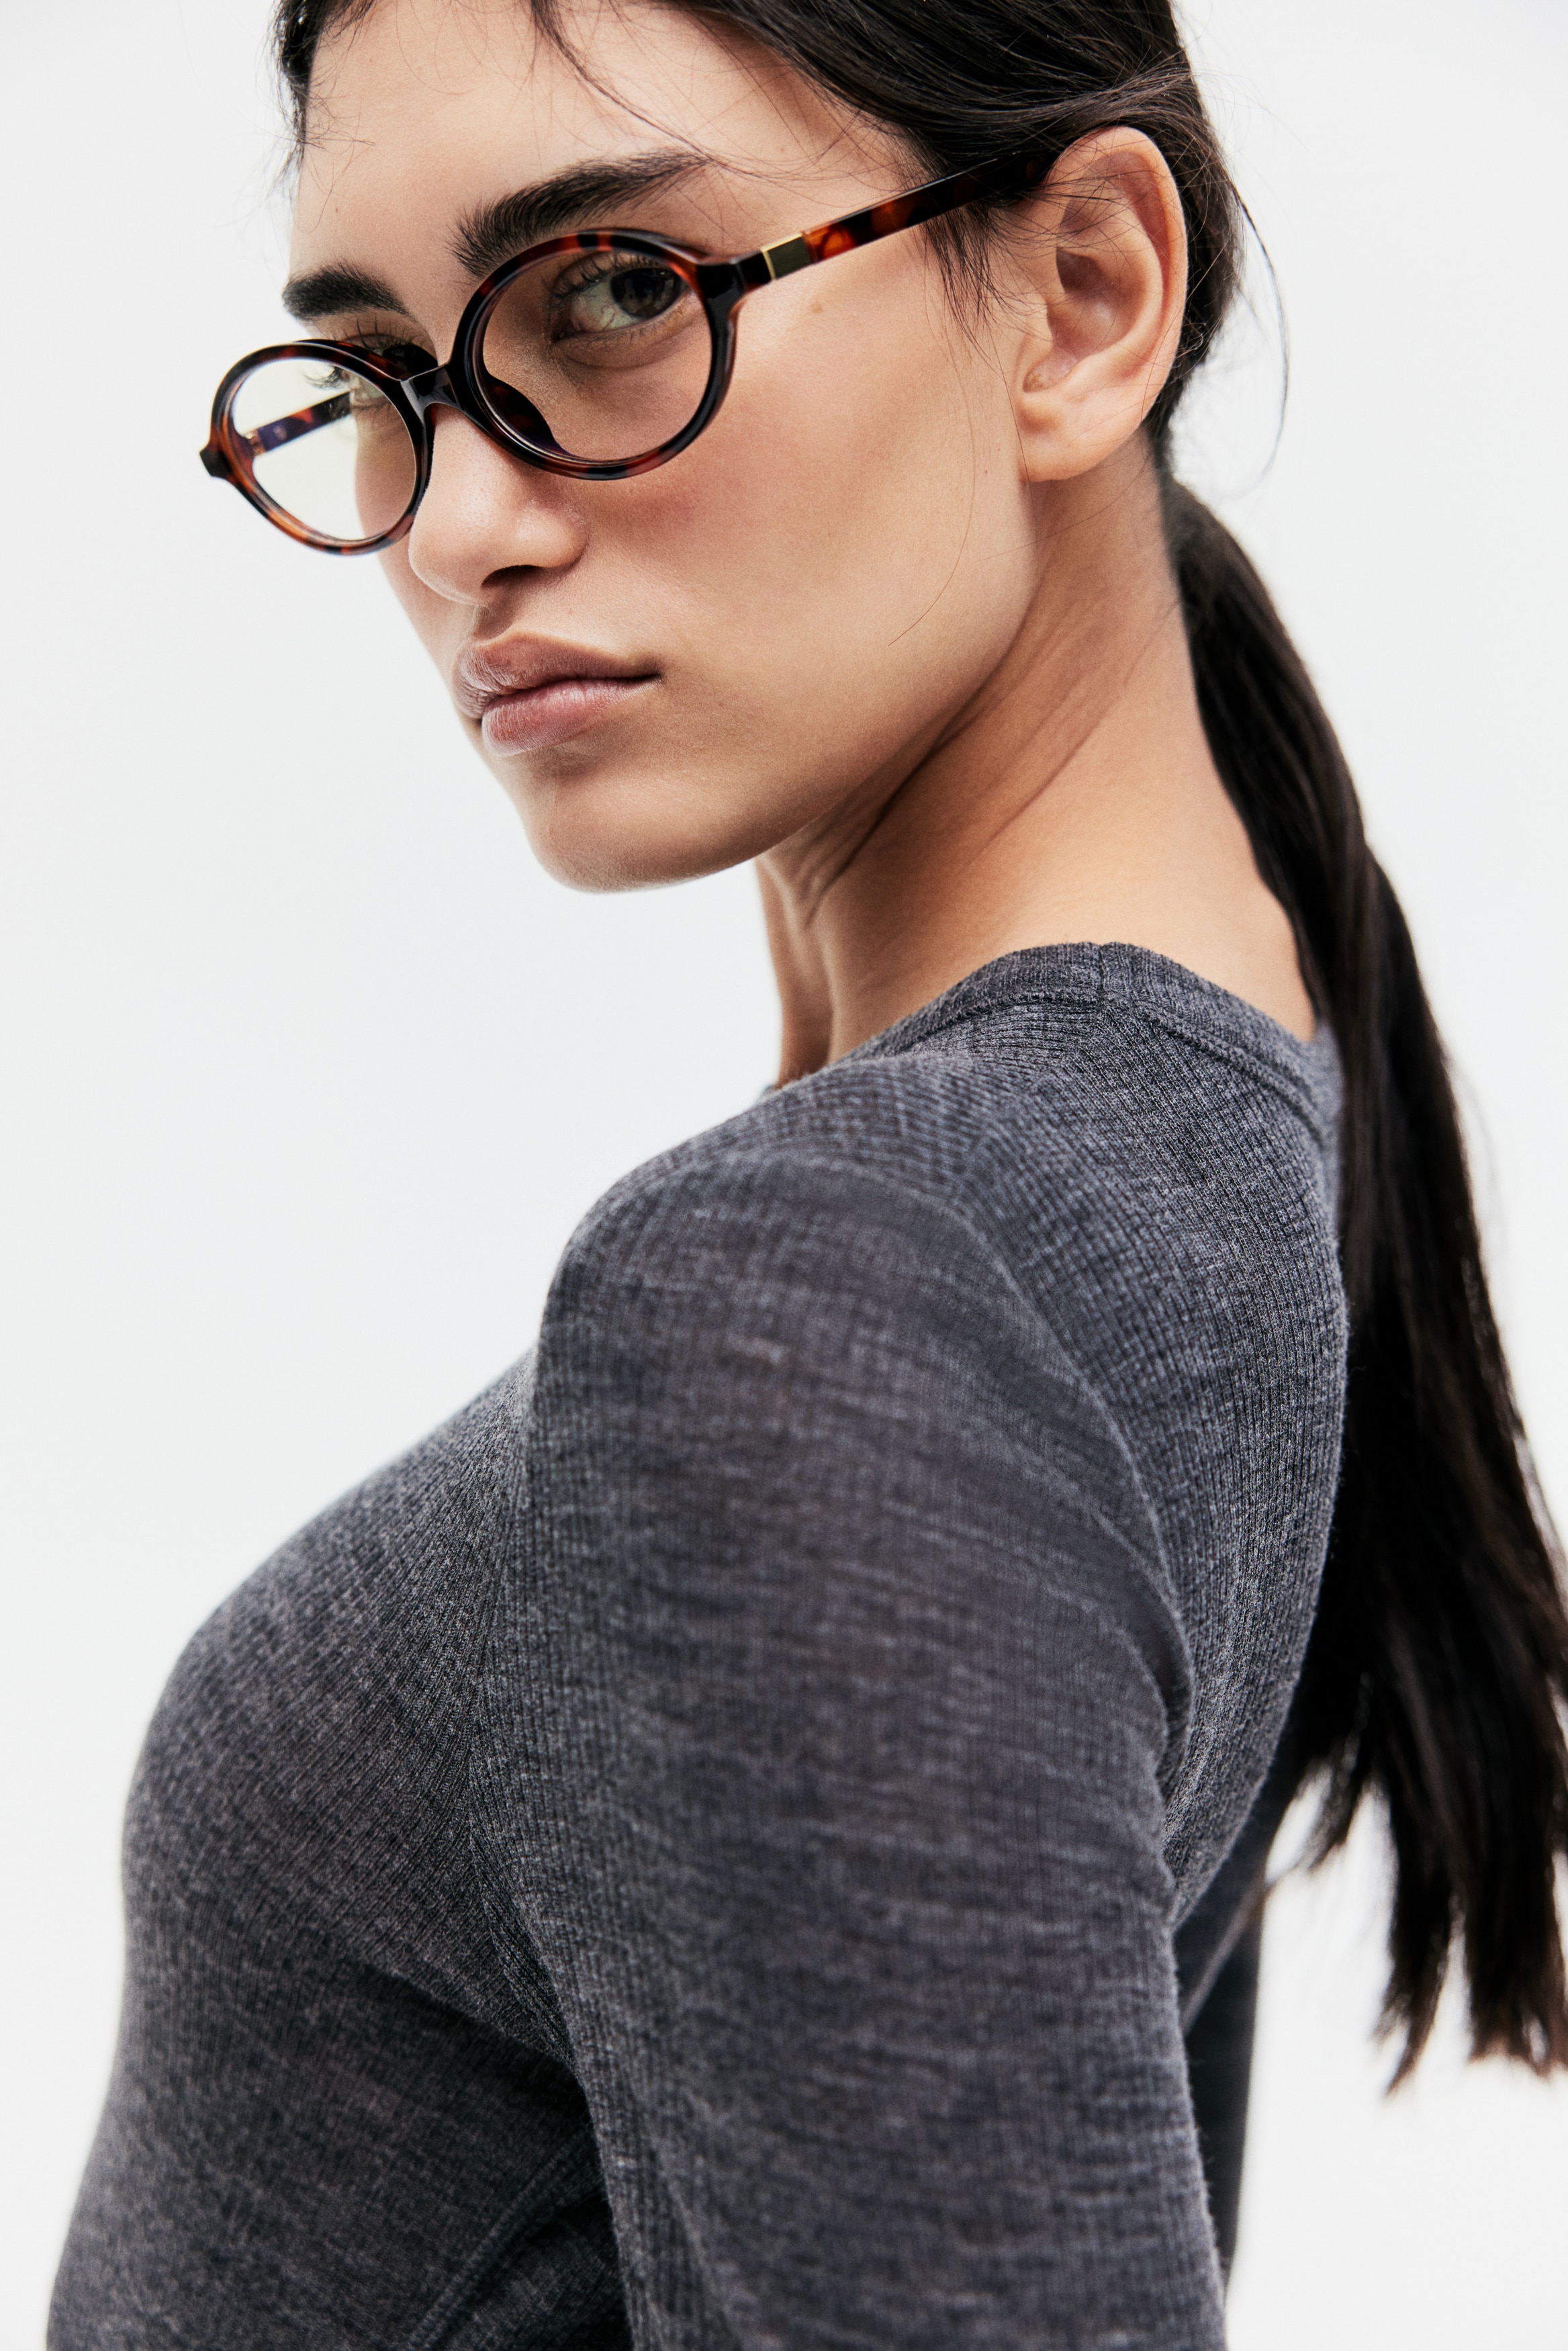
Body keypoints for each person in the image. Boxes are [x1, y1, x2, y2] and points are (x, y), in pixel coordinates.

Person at [50, 0, 1568, 2342]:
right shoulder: (1196, 1123)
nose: (455, 526)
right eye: (377, 376)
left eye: (618, 290)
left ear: (1084, 296)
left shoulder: (816, 1309)